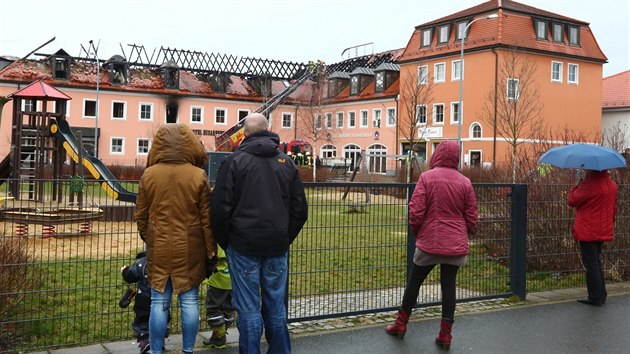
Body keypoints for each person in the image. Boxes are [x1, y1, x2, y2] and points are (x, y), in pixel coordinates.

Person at [211, 113, 308, 354]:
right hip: (276, 244)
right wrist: (284, 237)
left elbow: (220, 209)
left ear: (244, 133)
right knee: (275, 305)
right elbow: (300, 210)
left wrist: (228, 242)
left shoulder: (234, 162)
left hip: (243, 246)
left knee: (248, 307)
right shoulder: (287, 163)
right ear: (269, 130)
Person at [385, 140, 478, 350]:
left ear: (436, 155)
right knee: (449, 288)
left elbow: (416, 211)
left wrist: (419, 233)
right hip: (454, 245)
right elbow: (472, 216)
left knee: (414, 283)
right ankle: (445, 335)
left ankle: (401, 324)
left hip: (428, 243)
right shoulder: (465, 182)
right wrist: (464, 232)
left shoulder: (427, 178)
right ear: (456, 157)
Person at [135, 123, 215, 354]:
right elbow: (206, 219)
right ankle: (188, 350)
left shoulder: (149, 174)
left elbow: (141, 215)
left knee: (158, 302)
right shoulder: (198, 175)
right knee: (189, 302)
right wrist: (211, 251)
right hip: (191, 247)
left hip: (158, 246)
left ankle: (156, 350)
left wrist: (150, 237)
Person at [568, 169, 618, 306]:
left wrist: (576, 185)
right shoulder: (611, 184)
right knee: (596, 261)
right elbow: (613, 208)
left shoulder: (588, 184)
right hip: (603, 229)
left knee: (591, 264)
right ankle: (601, 294)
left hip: (587, 229)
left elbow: (572, 200)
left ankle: (595, 297)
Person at [120, 251, 170, 354]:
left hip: (143, 298)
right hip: (161, 295)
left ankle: (145, 342)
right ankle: (159, 343)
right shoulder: (165, 262)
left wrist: (124, 270)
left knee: (142, 321)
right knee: (162, 317)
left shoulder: (141, 262)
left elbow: (130, 276)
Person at [203, 244, 235, 349]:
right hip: (233, 280)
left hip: (218, 280)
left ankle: (218, 335)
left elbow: (214, 255)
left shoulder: (220, 240)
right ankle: (221, 333)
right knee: (228, 308)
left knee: (213, 307)